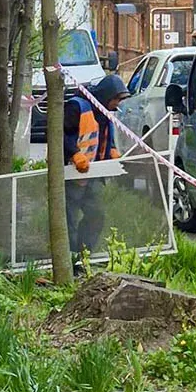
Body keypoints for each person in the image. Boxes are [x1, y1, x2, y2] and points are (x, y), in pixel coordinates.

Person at [62, 74, 130, 266]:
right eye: (116, 99)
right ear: (106, 96)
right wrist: (74, 154)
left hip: (94, 175)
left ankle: (83, 255)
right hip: (71, 174)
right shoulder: (77, 107)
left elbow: (105, 136)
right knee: (69, 220)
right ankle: (69, 260)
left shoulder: (105, 112)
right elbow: (61, 133)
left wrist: (113, 150)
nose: (117, 103)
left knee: (96, 215)